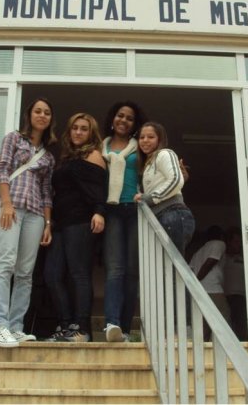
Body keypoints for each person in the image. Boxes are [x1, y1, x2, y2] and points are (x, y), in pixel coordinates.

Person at [0, 97, 57, 348]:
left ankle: (16, 327)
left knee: (25, 273)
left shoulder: (48, 156)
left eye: (47, 112)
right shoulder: (13, 138)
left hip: (36, 214)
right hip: (11, 208)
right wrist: (6, 204)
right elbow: (2, 169)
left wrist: (48, 223)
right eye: (38, 111)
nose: (42, 115)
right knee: (5, 263)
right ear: (29, 115)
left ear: (51, 119)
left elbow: (47, 191)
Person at [44, 113, 108, 343]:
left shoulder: (94, 155)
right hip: (61, 223)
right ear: (69, 131)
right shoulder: (65, 158)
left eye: (84, 129)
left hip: (81, 221)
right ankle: (65, 326)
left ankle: (81, 329)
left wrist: (100, 211)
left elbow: (100, 188)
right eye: (75, 128)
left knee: (79, 274)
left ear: (91, 133)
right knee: (51, 275)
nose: (79, 132)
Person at [100, 101, 147, 343]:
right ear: (113, 119)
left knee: (132, 273)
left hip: (136, 210)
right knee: (115, 269)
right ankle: (112, 324)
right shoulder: (100, 148)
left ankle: (125, 330)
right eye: (120, 115)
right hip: (112, 211)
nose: (124, 120)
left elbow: (154, 171)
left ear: (134, 124)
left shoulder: (141, 147)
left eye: (129, 118)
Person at [134, 122, 195, 255]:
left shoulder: (164, 153)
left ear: (159, 140)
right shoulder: (148, 164)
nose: (145, 140)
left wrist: (151, 198)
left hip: (172, 215)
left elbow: (175, 179)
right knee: (167, 268)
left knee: (173, 267)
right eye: (141, 137)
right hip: (164, 217)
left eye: (150, 137)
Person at [189, 225, 231, 340]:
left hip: (199, 291)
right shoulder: (219, 244)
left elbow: (191, 269)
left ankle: (205, 350)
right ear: (221, 236)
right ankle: (224, 348)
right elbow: (211, 261)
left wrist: (195, 285)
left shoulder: (198, 251)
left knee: (204, 325)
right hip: (213, 289)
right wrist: (198, 279)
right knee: (223, 319)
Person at [224, 227, 248, 341]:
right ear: (229, 242)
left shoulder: (244, 258)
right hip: (226, 296)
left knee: (241, 324)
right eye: (236, 242)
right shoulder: (222, 258)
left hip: (241, 297)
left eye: (240, 242)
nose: (238, 245)